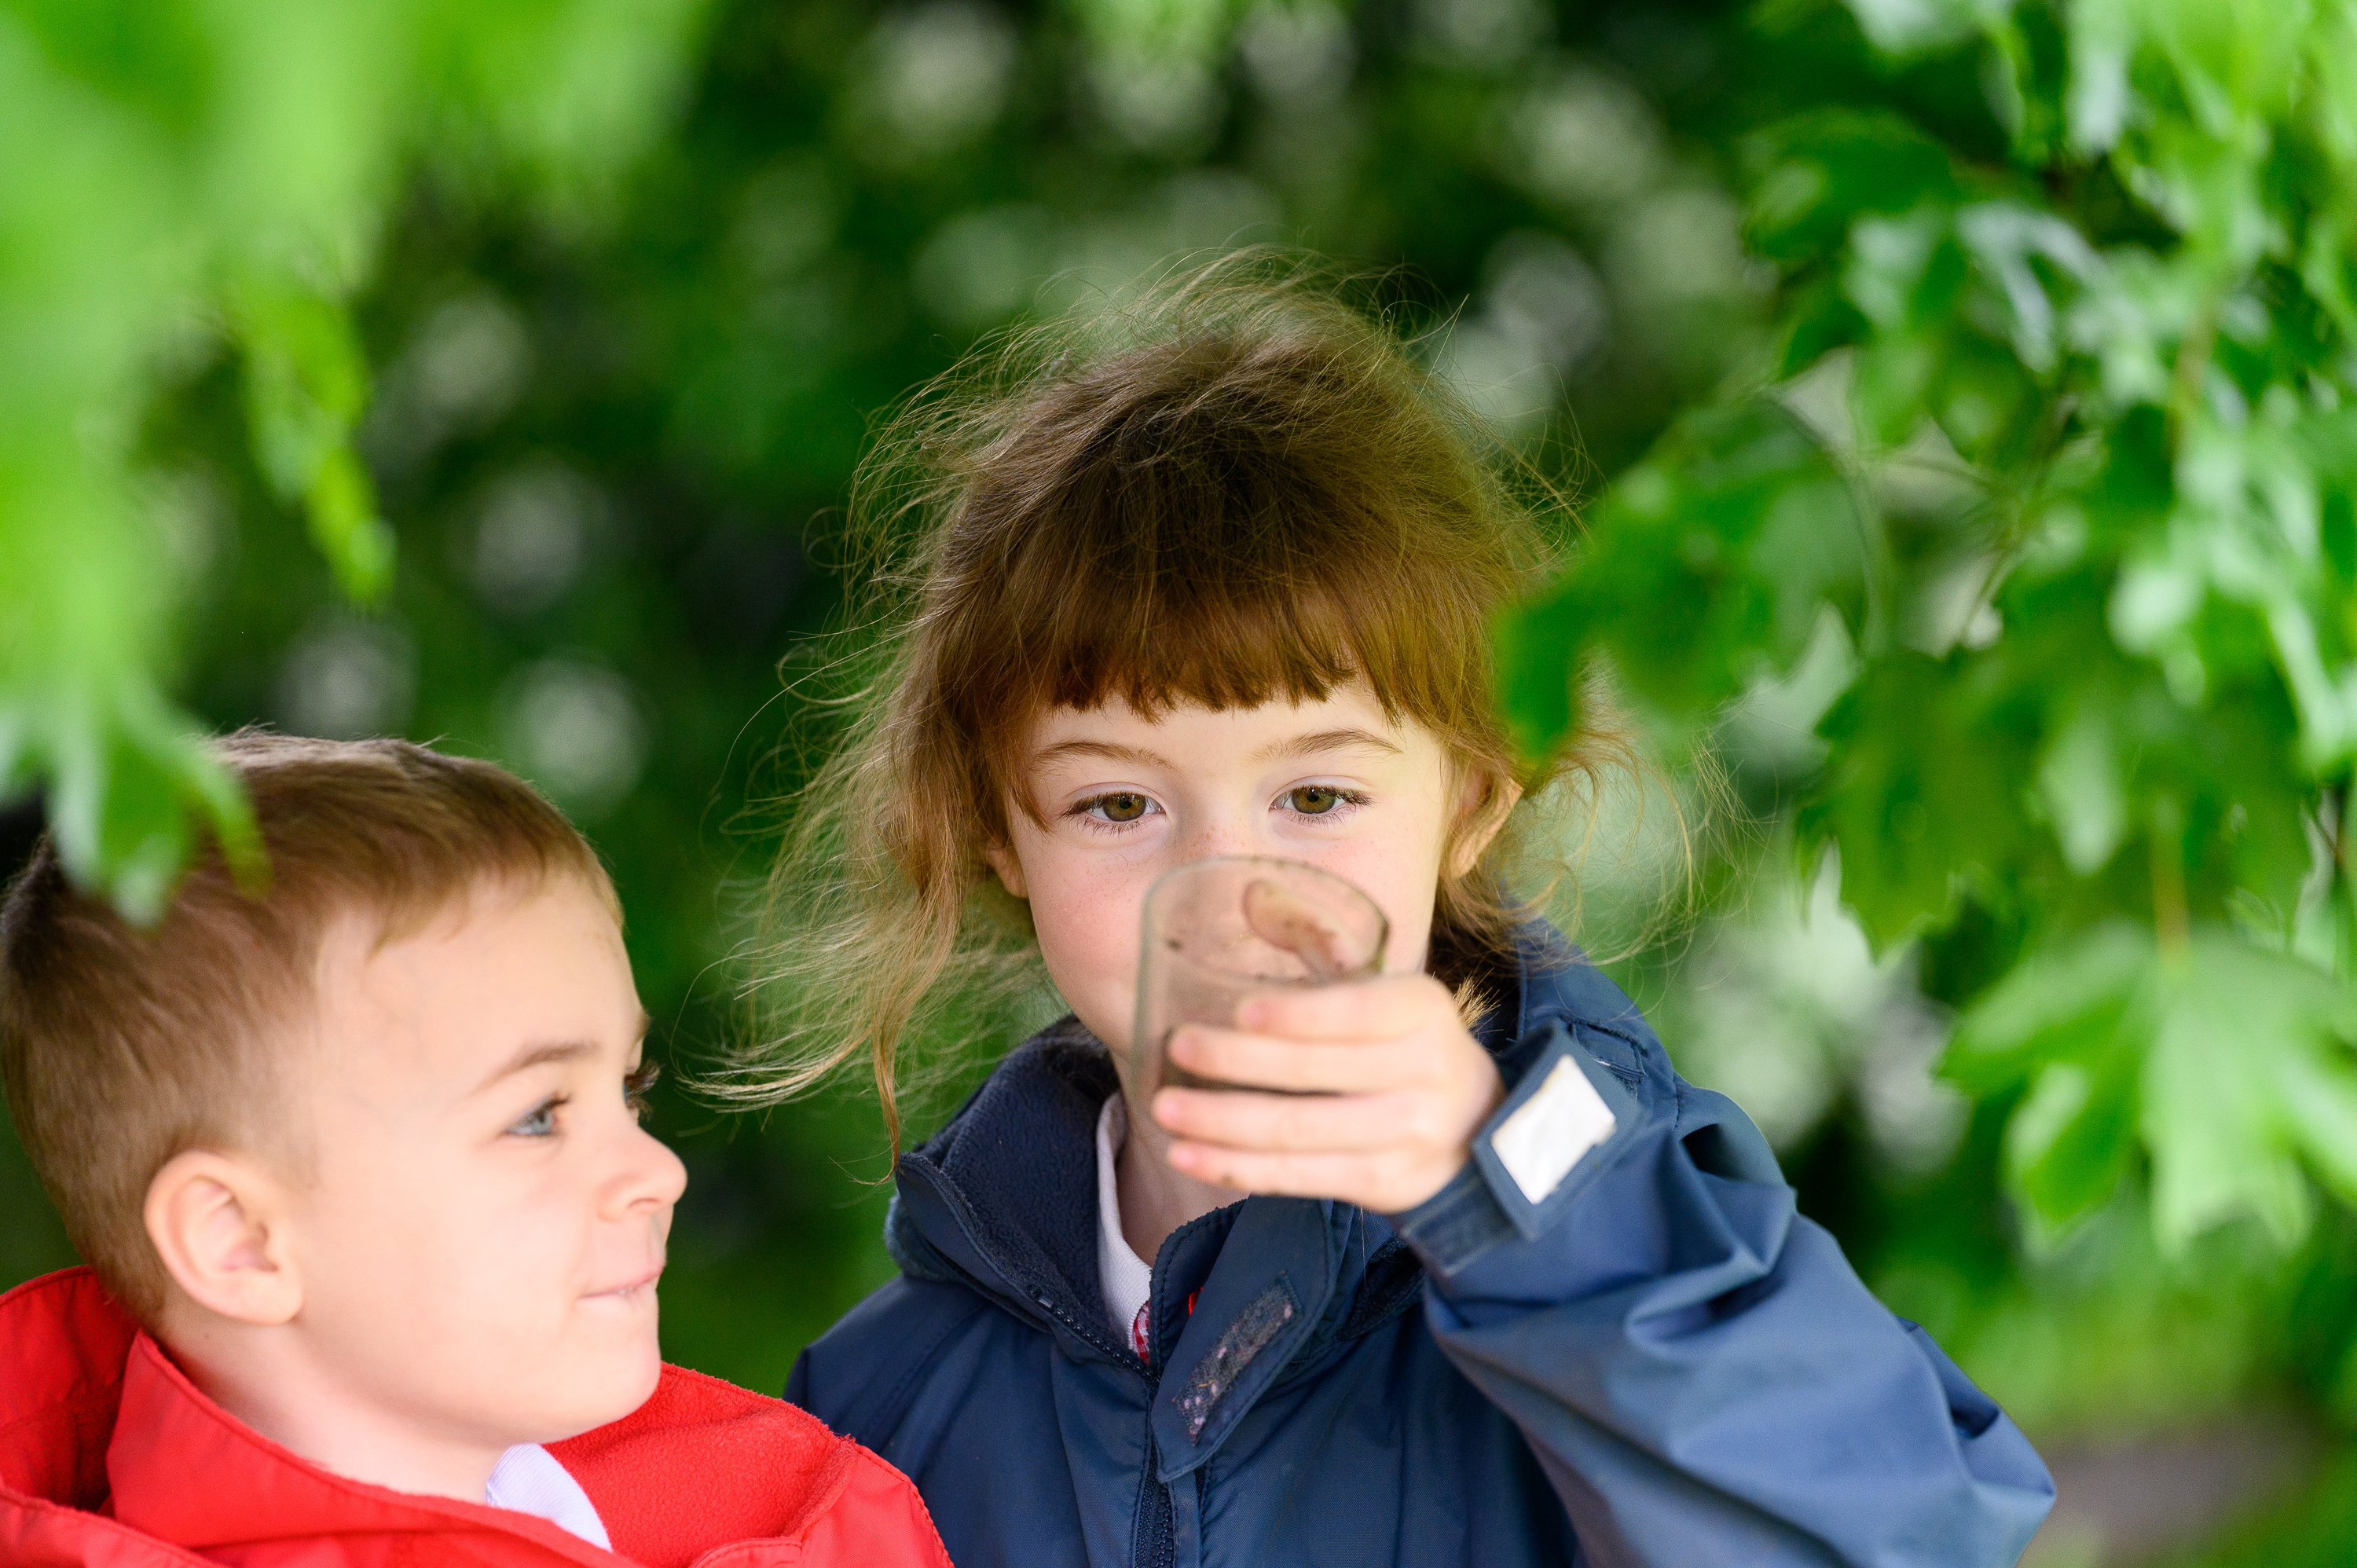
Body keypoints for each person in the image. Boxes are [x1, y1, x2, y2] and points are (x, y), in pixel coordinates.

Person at [755, 258, 2058, 1567]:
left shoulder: (1631, 1238)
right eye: (1118, 807)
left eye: (1315, 796)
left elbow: (1911, 1536)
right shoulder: (882, 1412)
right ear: (998, 836)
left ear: (1472, 803)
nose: (1232, 891)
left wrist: (1500, 1201)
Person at [0, 734, 948, 1568]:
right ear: (240, 1239)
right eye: (537, 1115)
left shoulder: (780, 1512)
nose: (660, 1173)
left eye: (628, 1091)